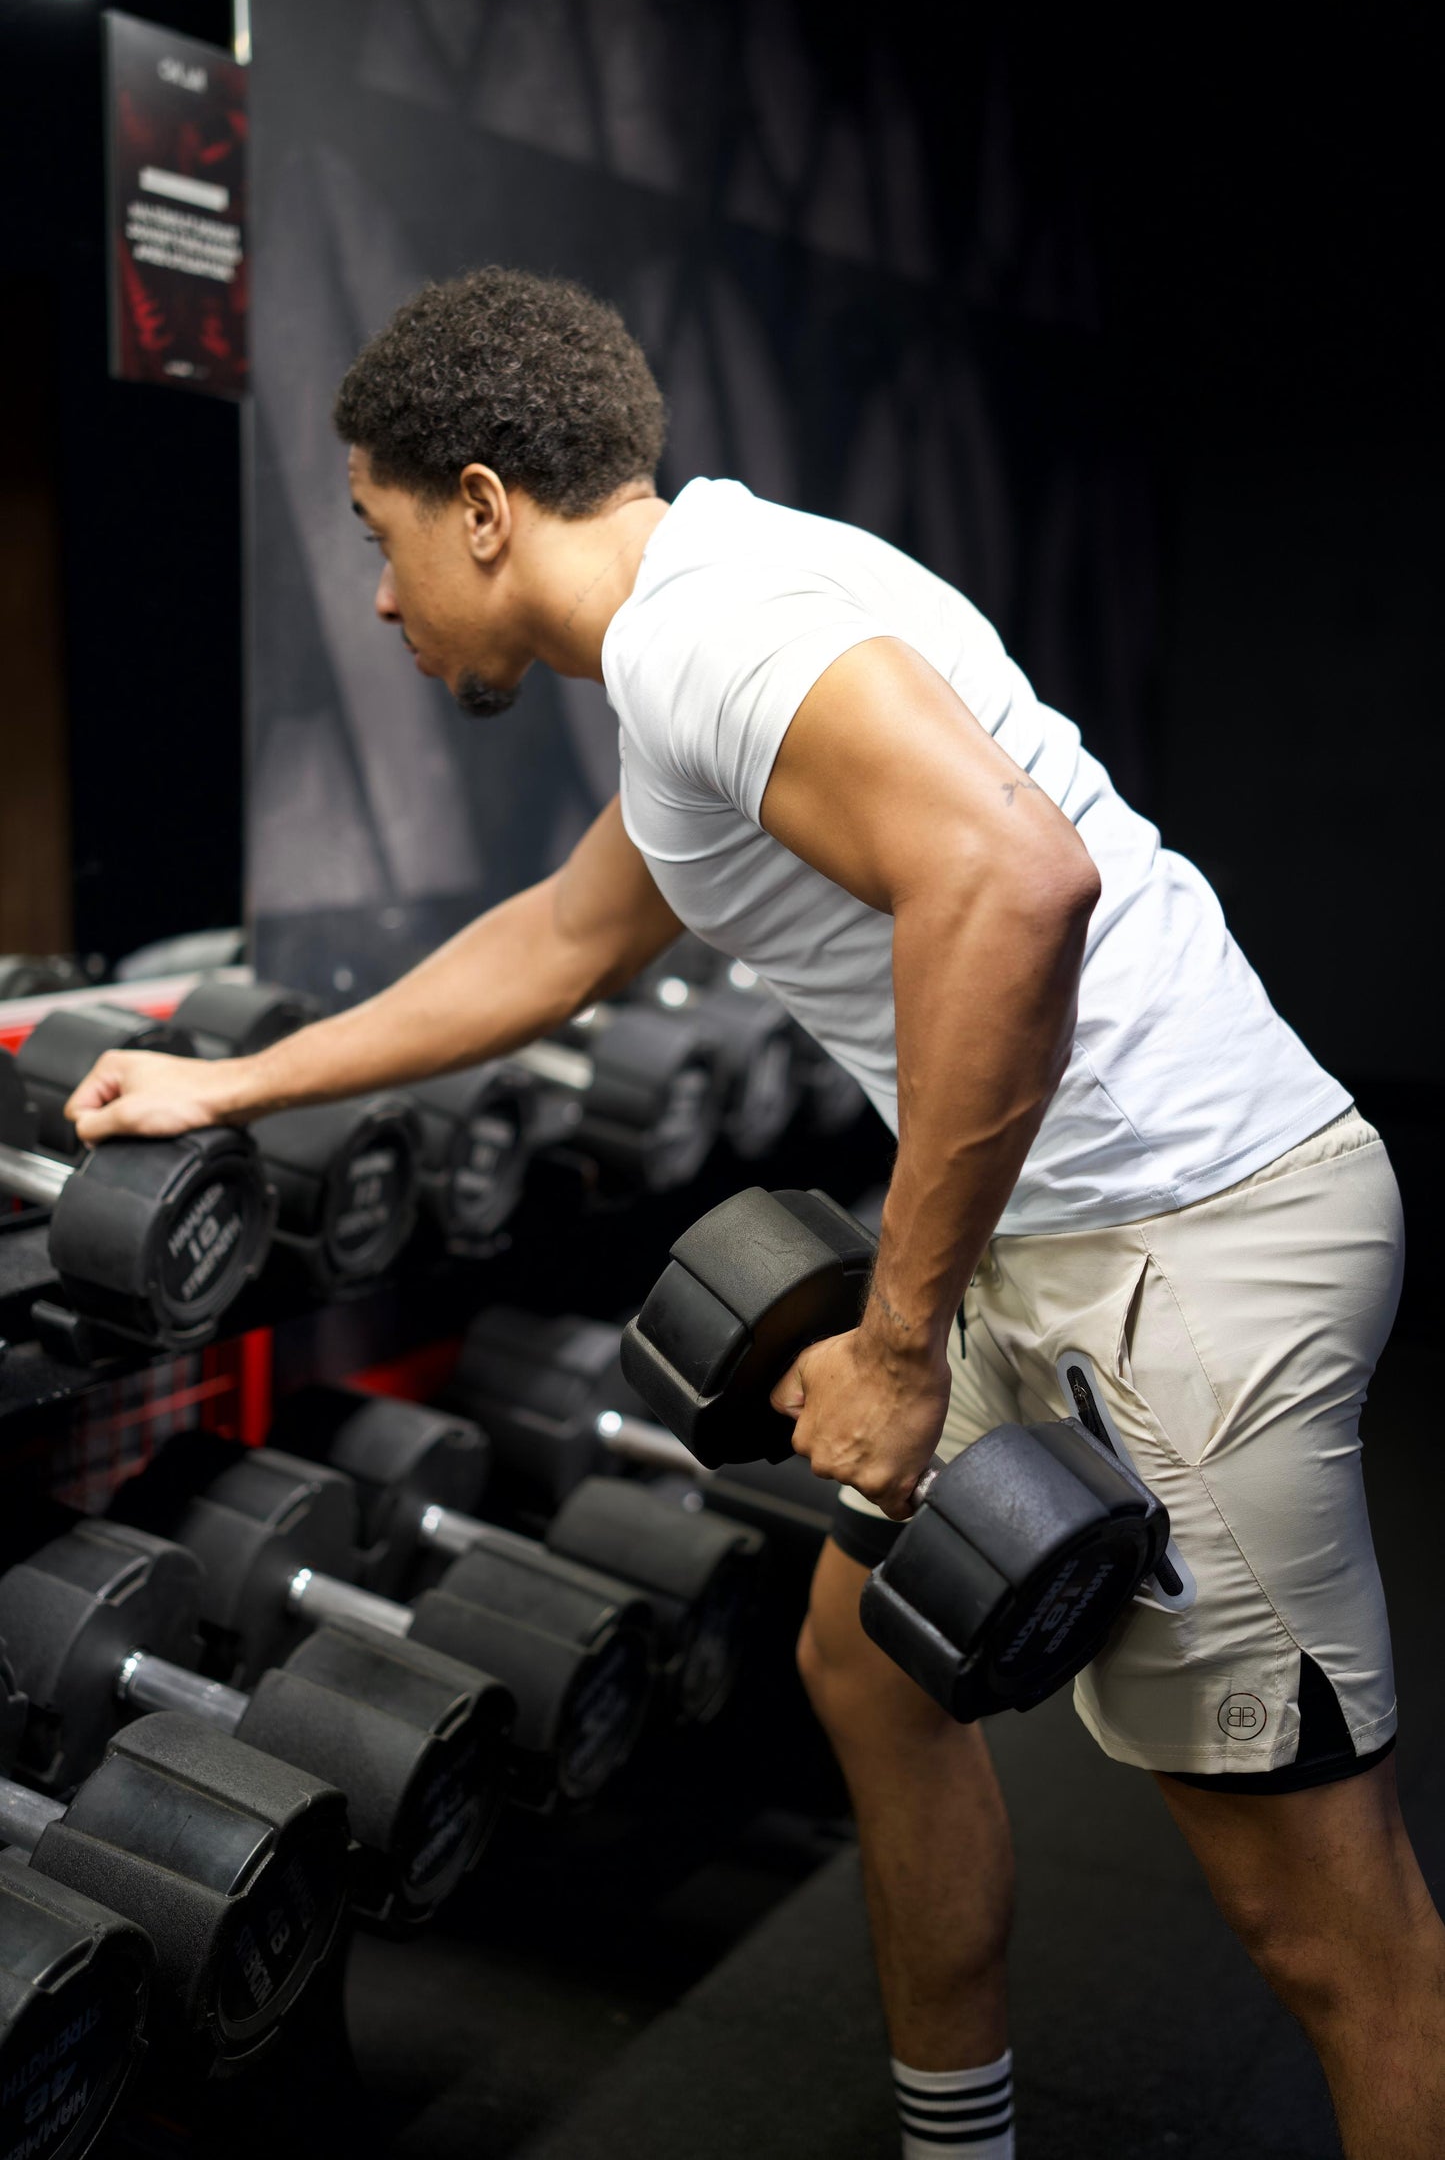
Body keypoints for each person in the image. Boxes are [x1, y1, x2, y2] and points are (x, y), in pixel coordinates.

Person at [68, 269, 1443, 2159]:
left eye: (386, 539)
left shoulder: (712, 638)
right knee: (863, 1667)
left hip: (1188, 1247)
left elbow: (1015, 885)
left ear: (481, 504)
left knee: (1324, 1926)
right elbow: (557, 944)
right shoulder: (710, 637)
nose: (381, 597)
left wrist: (893, 1343)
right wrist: (228, 1081)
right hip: (1071, 1246)